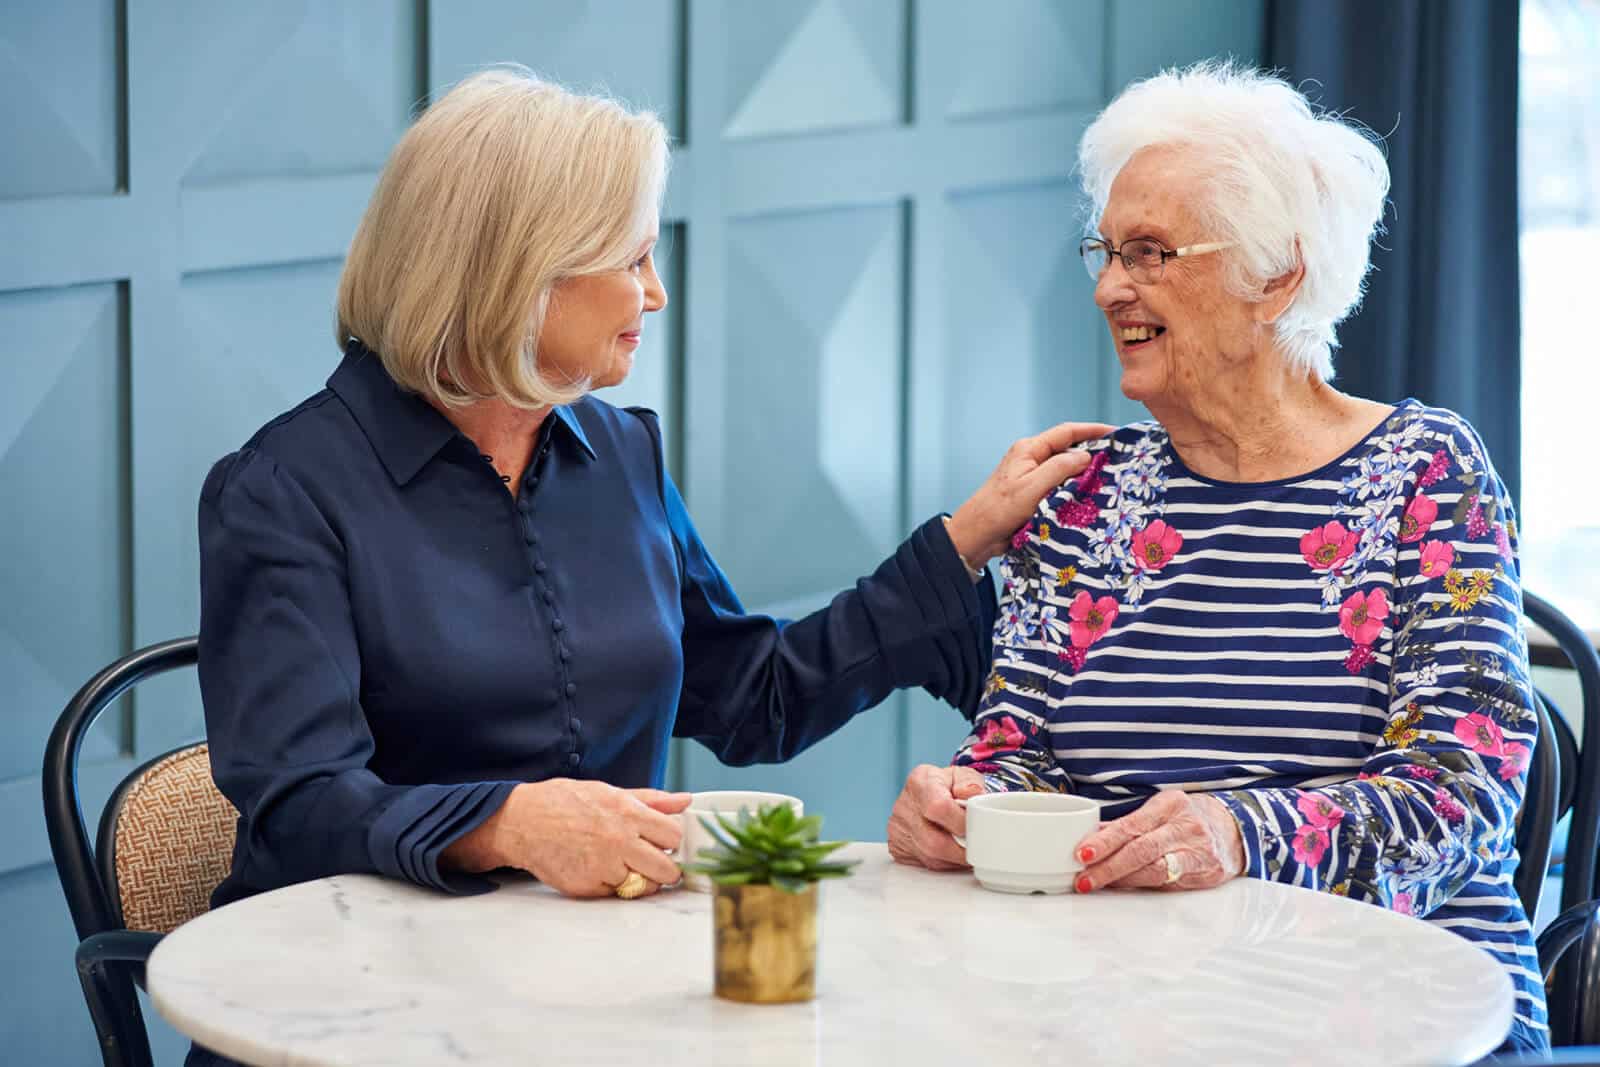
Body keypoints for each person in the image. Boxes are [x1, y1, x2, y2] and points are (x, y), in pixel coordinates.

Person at [190, 68, 1107, 1064]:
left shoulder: (617, 454)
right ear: (518, 273)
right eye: (632, 258)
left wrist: (961, 539)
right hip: (362, 1010)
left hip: (591, 1002)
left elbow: (753, 698)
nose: (655, 293)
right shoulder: (284, 490)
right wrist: (507, 823)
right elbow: (302, 798)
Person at [887, 61, 1546, 1052]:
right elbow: (1013, 750)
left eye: (1152, 253)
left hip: (1392, 1006)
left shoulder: (1426, 475)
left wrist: (1242, 832)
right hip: (1119, 1008)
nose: (1113, 287)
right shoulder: (1082, 495)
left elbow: (1463, 792)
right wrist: (962, 805)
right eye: (1106, 252)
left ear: (1275, 273)